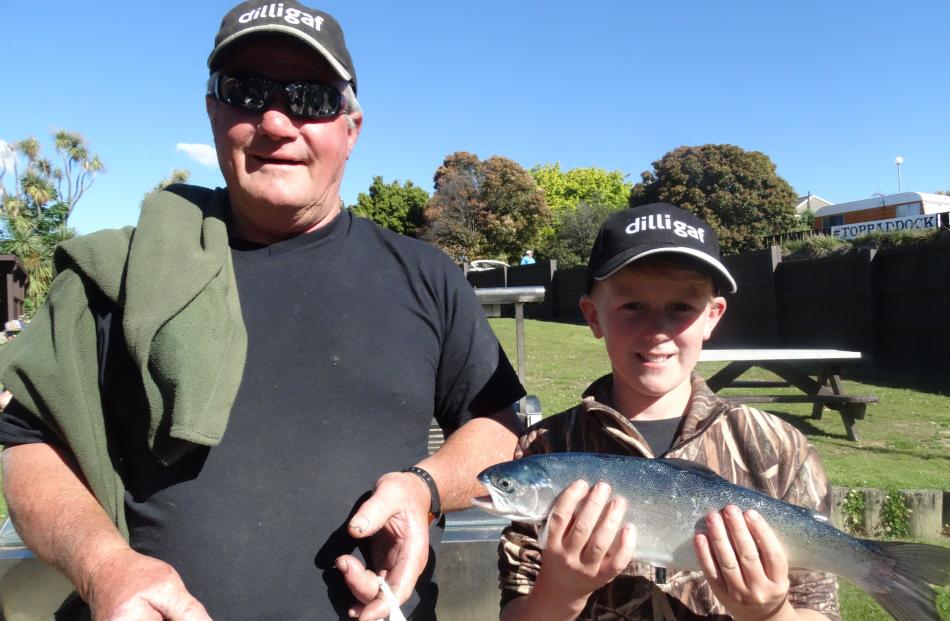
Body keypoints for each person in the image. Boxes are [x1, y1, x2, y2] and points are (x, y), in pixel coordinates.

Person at [0, 2, 525, 620]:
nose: (276, 121)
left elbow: (498, 425)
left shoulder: (427, 277)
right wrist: (104, 566)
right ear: (214, 111)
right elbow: (27, 443)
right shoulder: (120, 274)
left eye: (311, 98)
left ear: (351, 129)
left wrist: (426, 488)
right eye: (246, 91)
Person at [497, 202, 840, 621]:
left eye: (681, 307)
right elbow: (517, 607)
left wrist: (770, 613)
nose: (657, 331)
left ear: (712, 317)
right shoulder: (544, 449)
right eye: (632, 306)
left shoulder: (778, 448)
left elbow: (820, 609)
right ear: (593, 315)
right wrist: (561, 593)